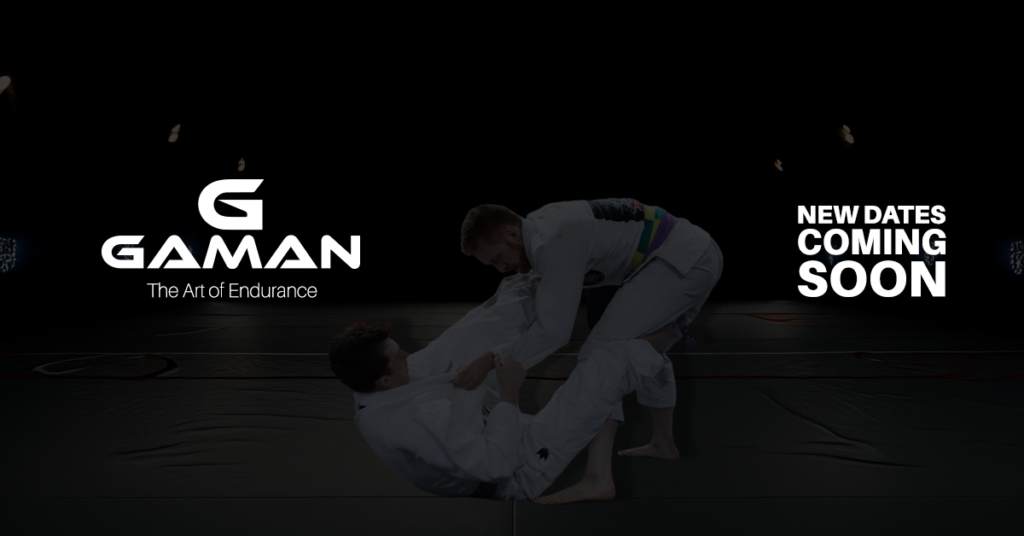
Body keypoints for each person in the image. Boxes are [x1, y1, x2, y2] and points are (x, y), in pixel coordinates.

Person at [456, 198, 724, 503]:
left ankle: (598, 477)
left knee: (601, 356)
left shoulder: (552, 240)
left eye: (498, 259)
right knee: (646, 351)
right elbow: (542, 277)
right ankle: (663, 443)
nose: (501, 268)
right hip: (691, 252)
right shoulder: (542, 225)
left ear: (512, 234)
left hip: (678, 261)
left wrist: (491, 359)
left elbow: (554, 333)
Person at [329, 273, 672, 500]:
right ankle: (675, 320)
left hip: (477, 418)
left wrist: (497, 299)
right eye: (397, 356)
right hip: (517, 468)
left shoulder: (387, 383)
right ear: (385, 380)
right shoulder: (409, 424)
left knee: (490, 319)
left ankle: (527, 286)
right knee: (605, 365)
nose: (406, 354)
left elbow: (449, 343)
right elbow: (496, 465)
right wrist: (509, 392)